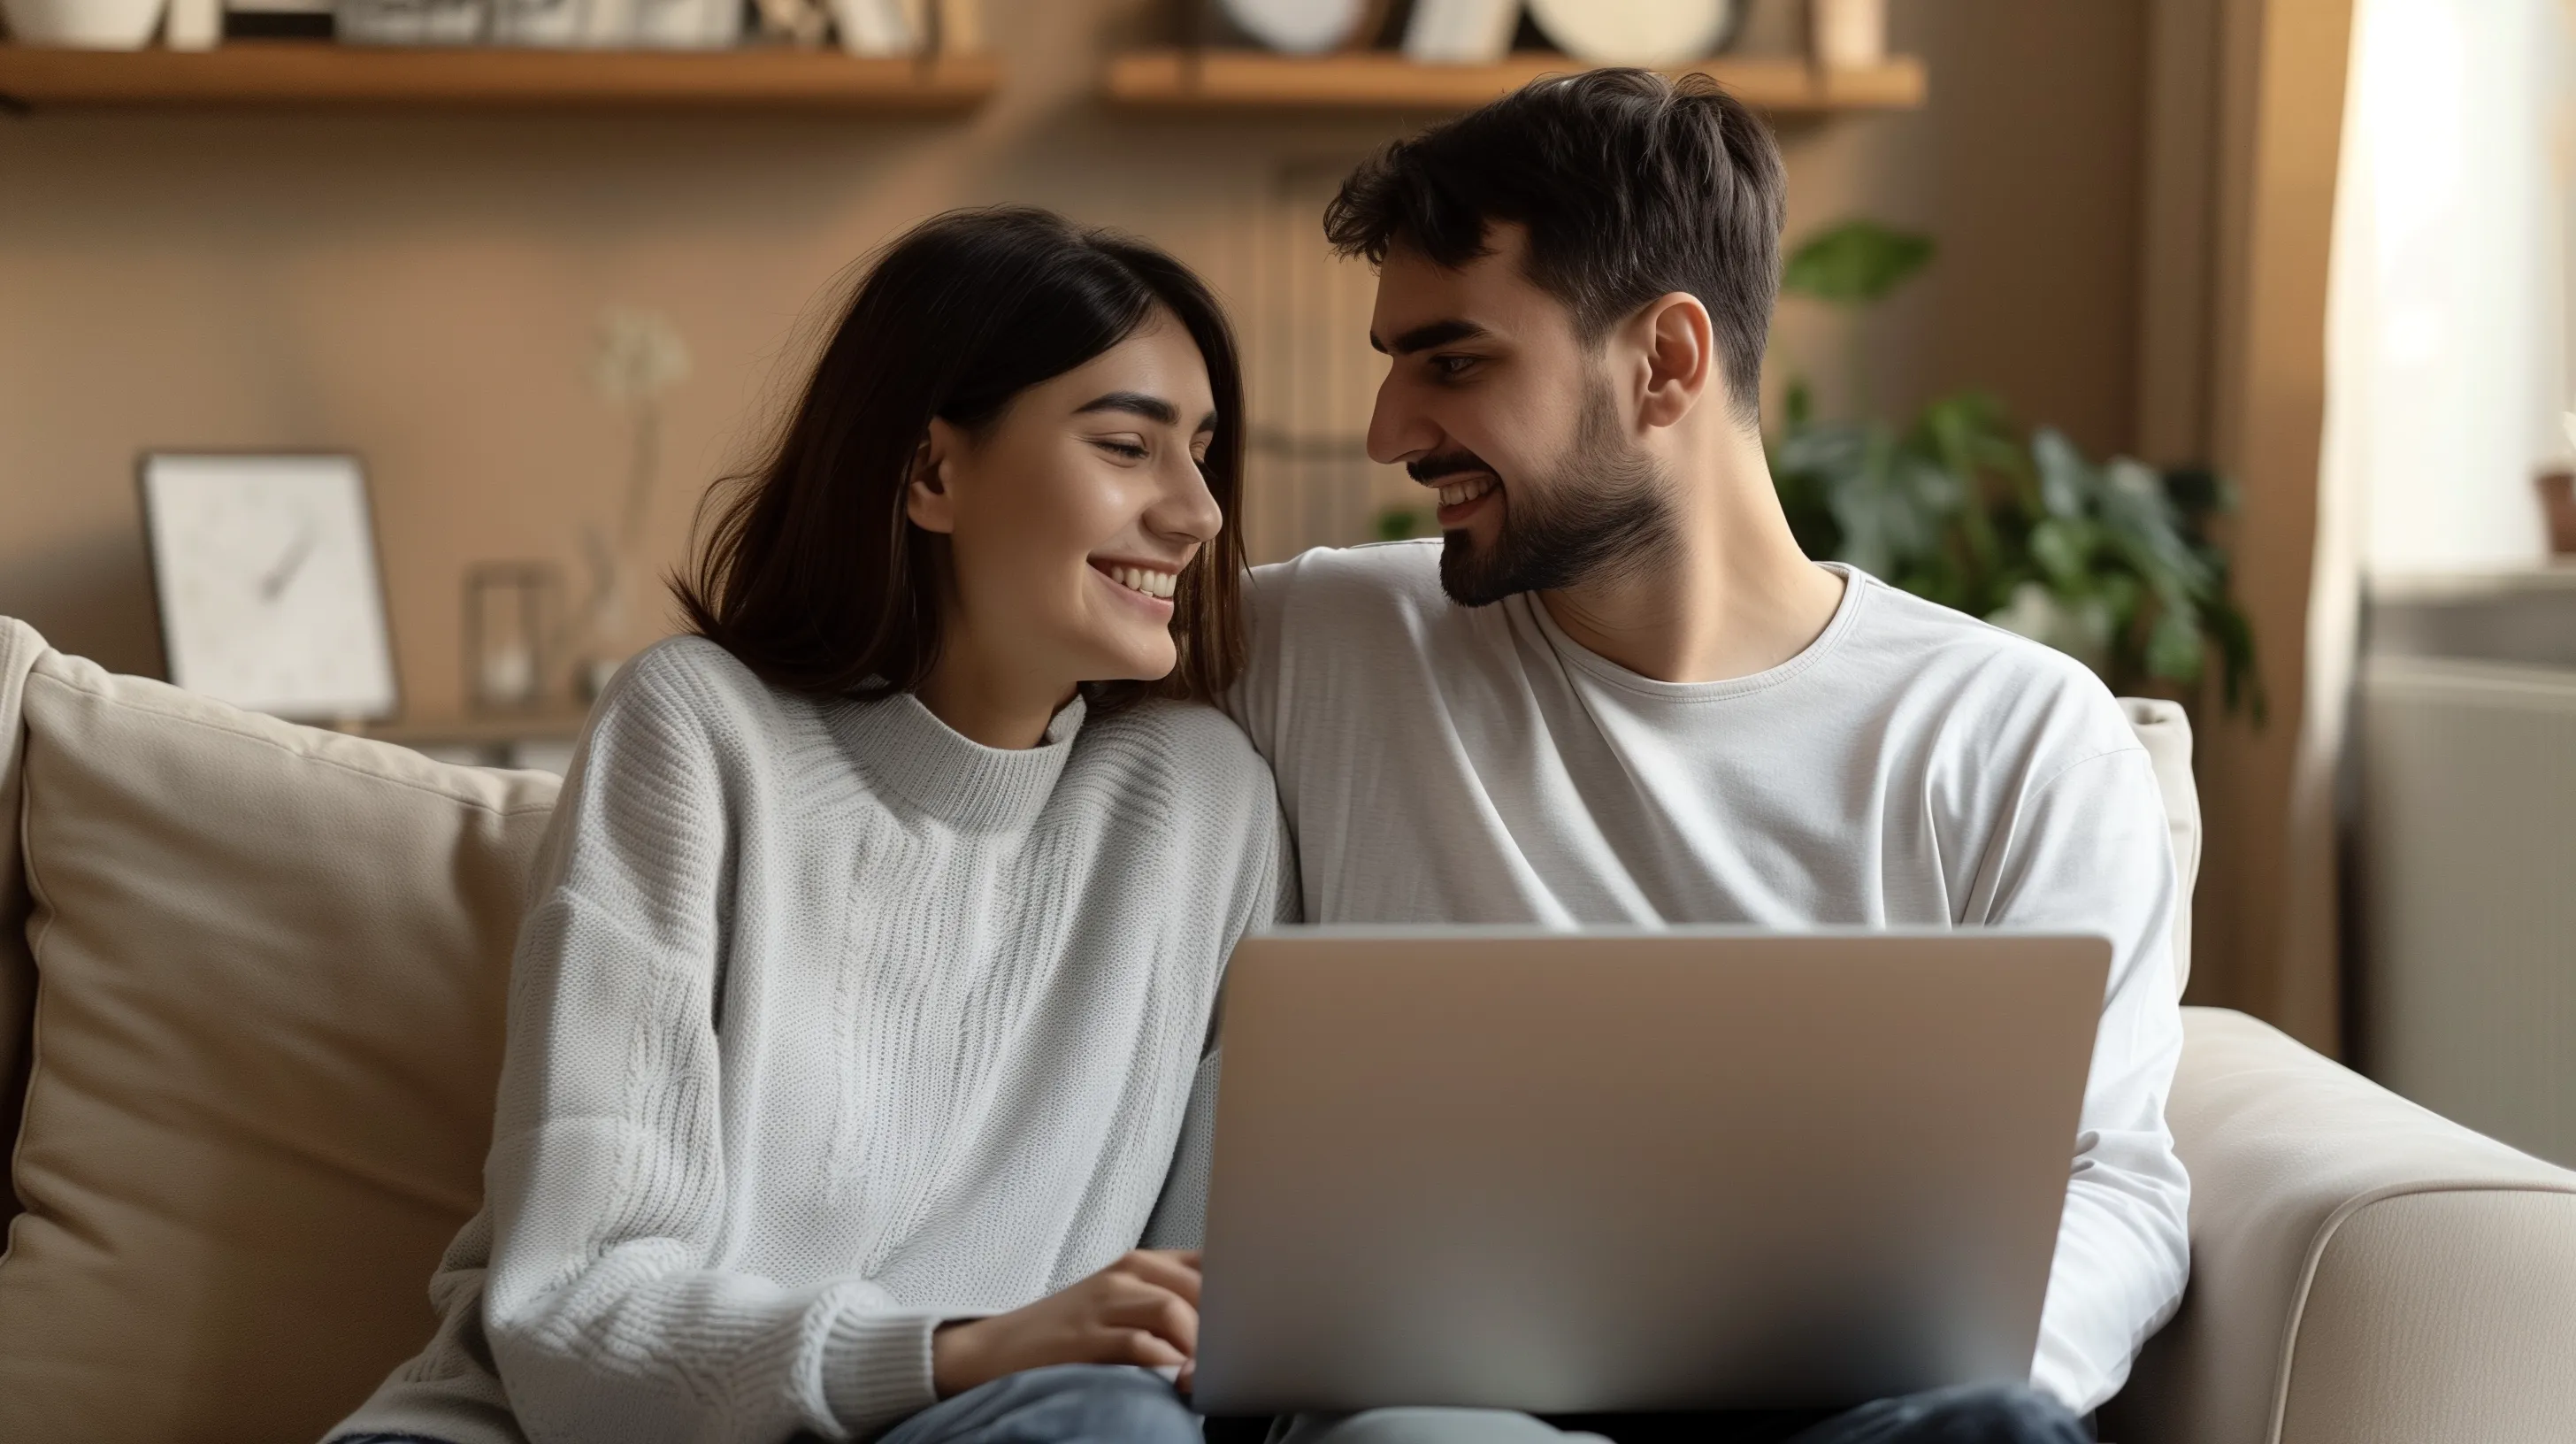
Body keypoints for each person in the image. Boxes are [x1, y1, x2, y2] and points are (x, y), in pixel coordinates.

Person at [1199, 70, 2189, 1444]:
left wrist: (1925, 1394)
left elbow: (2112, 1184)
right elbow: (980, 659)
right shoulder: (1320, 644)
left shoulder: (2014, 733)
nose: (1391, 432)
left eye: (1454, 361)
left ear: (1667, 360)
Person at [328, 206, 1291, 1444]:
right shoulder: (701, 734)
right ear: (931, 474)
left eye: (1203, 455)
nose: (1198, 513)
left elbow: (1213, 1322)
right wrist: (955, 1351)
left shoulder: (1206, 805)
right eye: (1127, 446)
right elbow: (571, 1315)